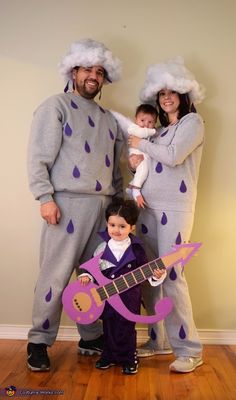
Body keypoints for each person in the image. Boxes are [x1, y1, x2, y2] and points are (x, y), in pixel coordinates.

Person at [27, 38, 124, 371]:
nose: (93, 76)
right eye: (87, 69)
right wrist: (44, 197)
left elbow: (118, 168)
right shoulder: (55, 106)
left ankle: (90, 335)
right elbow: (39, 156)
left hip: (103, 210)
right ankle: (39, 341)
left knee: (94, 279)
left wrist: (120, 210)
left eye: (99, 71)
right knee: (54, 277)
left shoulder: (109, 119)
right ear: (73, 71)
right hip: (65, 205)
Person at [128, 57, 205, 373]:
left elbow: (173, 157)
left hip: (175, 209)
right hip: (147, 209)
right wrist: (136, 163)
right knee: (148, 276)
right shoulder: (158, 131)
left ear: (184, 93)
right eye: (161, 93)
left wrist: (141, 145)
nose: (166, 97)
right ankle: (157, 340)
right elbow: (146, 164)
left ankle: (190, 349)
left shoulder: (193, 124)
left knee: (172, 275)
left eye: (172, 91)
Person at [78, 198, 166, 374]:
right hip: (107, 298)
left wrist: (157, 275)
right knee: (108, 326)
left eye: (122, 226)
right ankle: (109, 355)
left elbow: (147, 273)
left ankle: (128, 357)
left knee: (126, 328)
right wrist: (86, 277)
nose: (116, 230)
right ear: (107, 224)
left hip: (129, 298)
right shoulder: (102, 247)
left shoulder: (137, 249)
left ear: (132, 227)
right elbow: (93, 268)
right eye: (112, 225)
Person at [111, 104, 158, 208]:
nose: (145, 124)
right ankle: (136, 189)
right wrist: (153, 131)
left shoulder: (151, 135)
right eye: (142, 120)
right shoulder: (134, 128)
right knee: (143, 168)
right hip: (136, 154)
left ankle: (132, 186)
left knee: (145, 171)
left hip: (144, 155)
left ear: (155, 123)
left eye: (150, 122)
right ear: (135, 119)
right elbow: (142, 132)